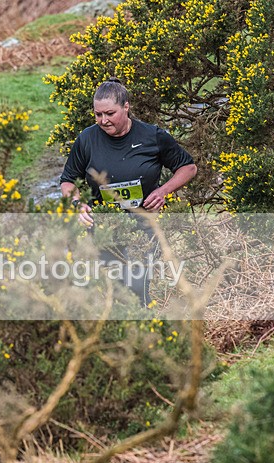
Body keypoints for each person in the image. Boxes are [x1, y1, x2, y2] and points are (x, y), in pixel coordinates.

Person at [60, 79, 197, 304]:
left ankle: (146, 330)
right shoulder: (87, 139)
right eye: (98, 114)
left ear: (126, 107)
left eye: (110, 113)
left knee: (137, 284)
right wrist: (77, 204)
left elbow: (188, 167)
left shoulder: (152, 136)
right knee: (115, 287)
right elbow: (67, 180)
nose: (103, 120)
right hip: (105, 226)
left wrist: (163, 191)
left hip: (143, 225)